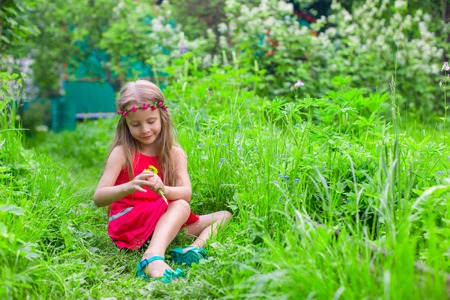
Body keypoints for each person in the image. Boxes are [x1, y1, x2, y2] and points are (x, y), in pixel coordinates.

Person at [93, 79, 232, 283]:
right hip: (130, 224)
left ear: (162, 117)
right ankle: (152, 257)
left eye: (151, 121)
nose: (145, 129)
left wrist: (163, 188)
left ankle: (191, 249)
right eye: (136, 124)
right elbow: (98, 197)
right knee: (181, 206)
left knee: (223, 215)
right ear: (126, 124)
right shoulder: (123, 153)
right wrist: (129, 186)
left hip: (160, 223)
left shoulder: (174, 154)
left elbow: (186, 192)